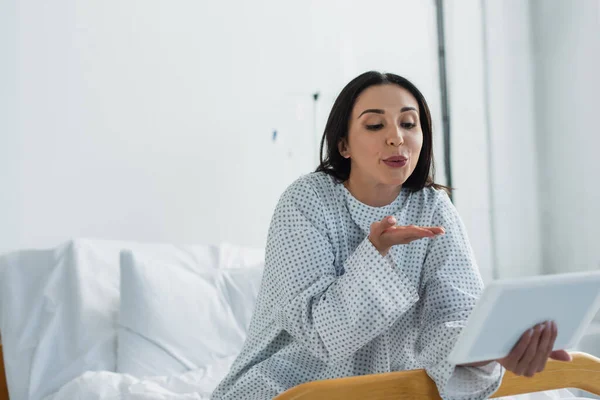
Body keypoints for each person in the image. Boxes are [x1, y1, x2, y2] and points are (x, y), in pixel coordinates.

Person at [211, 71, 572, 400]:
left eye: (408, 123)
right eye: (374, 125)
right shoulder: (305, 201)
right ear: (344, 146)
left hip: (393, 391)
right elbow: (321, 335)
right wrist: (374, 254)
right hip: (288, 390)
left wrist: (492, 351)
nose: (396, 137)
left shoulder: (434, 208)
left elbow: (452, 319)